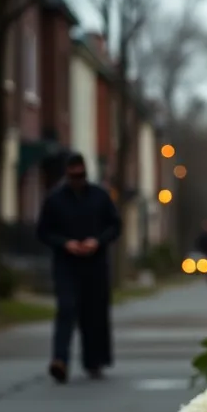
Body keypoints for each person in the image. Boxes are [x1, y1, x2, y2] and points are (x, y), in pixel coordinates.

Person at [36, 152, 122, 383]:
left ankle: (94, 360)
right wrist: (65, 243)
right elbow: (43, 231)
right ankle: (60, 360)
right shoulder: (54, 199)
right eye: (73, 176)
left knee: (93, 313)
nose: (77, 180)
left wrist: (98, 241)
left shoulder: (100, 197)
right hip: (67, 263)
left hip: (95, 264)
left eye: (81, 175)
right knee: (66, 309)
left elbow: (115, 226)